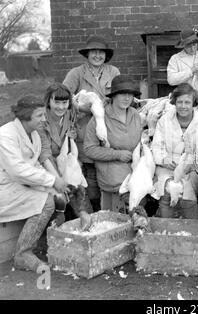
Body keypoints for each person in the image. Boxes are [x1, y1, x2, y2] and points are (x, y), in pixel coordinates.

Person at [0, 95, 68, 272]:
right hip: (4, 188)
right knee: (46, 202)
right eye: (39, 116)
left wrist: (52, 187)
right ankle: (23, 254)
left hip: (17, 185)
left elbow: (34, 165)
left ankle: (42, 244)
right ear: (25, 116)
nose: (44, 119)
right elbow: (18, 170)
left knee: (55, 197)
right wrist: (52, 180)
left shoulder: (34, 135)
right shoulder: (6, 135)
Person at [63, 35, 120, 212]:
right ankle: (87, 209)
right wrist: (83, 107)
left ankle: (105, 208)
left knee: (104, 168)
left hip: (107, 126)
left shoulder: (113, 72)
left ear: (106, 55)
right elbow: (63, 97)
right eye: (93, 52)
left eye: (101, 53)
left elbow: (119, 95)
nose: (97, 56)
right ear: (87, 54)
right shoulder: (76, 73)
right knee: (87, 169)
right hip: (83, 127)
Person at [151, 83, 198, 219]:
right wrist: (165, 161)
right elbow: (156, 147)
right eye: (179, 102)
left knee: (186, 190)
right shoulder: (165, 120)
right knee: (168, 190)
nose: (183, 106)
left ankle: (191, 230)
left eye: (187, 102)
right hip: (167, 167)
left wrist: (190, 164)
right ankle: (166, 231)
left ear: (194, 103)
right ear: (174, 102)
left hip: (195, 170)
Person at [83, 75, 142, 212]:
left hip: (134, 167)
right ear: (114, 96)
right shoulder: (100, 118)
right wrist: (117, 154)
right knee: (127, 201)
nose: (127, 98)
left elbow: (139, 141)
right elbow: (89, 149)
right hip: (112, 172)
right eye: (122, 94)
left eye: (130, 95)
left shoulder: (135, 114)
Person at [38, 83, 92, 225]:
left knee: (80, 193)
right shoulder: (40, 121)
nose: (61, 107)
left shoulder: (70, 112)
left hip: (66, 161)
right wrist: (57, 180)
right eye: (56, 102)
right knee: (57, 201)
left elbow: (84, 110)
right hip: (46, 166)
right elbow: (44, 155)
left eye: (64, 102)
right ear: (48, 101)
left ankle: (83, 218)